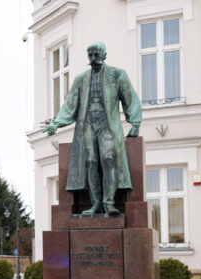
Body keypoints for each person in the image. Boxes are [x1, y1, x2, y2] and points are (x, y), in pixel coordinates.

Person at [43, 41, 142, 215]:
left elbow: (130, 98)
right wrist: (56, 124)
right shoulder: (80, 79)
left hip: (107, 125)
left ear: (104, 54)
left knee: (109, 157)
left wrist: (135, 123)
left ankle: (109, 202)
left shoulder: (117, 75)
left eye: (97, 54)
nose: (94, 58)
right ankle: (96, 203)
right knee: (90, 162)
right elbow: (70, 104)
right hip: (87, 124)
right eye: (90, 55)